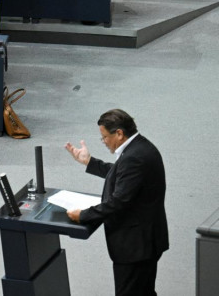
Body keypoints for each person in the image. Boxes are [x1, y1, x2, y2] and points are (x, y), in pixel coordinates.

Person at [64, 109, 168, 296]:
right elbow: (124, 176)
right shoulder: (139, 147)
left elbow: (119, 201)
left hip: (136, 247)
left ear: (119, 133)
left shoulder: (134, 157)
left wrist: (83, 215)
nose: (103, 142)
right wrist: (89, 162)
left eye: (104, 137)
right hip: (147, 240)